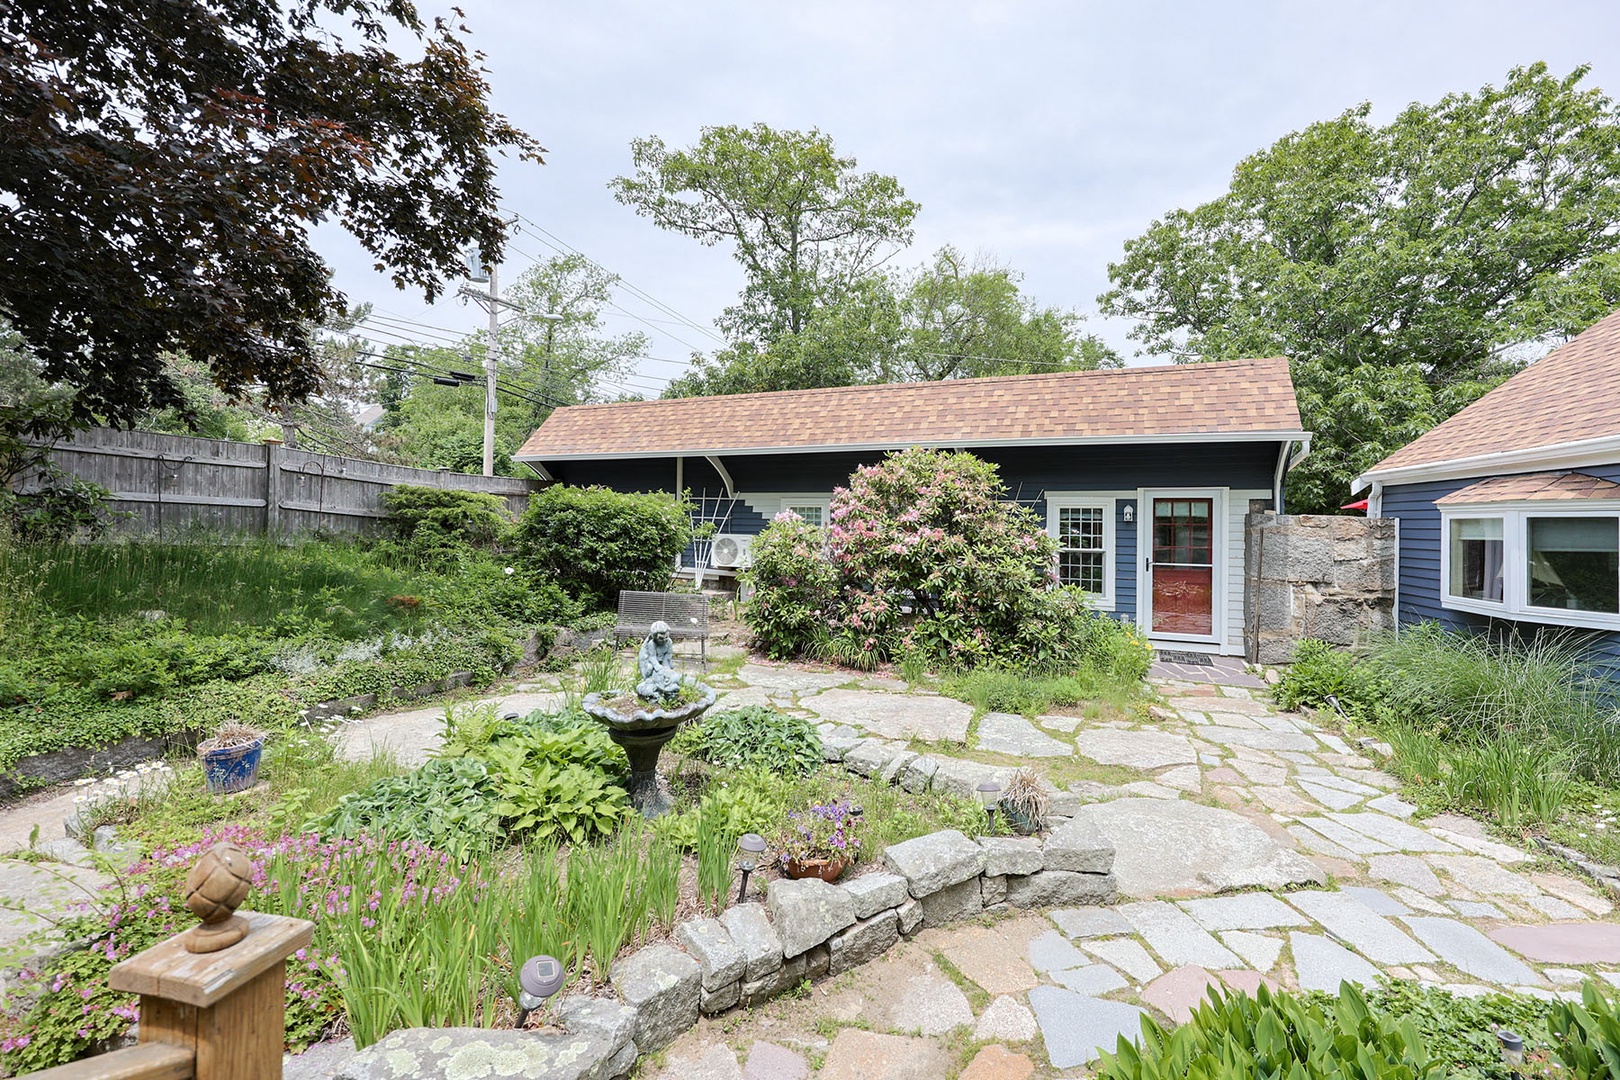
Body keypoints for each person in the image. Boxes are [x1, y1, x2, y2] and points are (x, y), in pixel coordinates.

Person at [636, 620, 684, 700]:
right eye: (661, 638)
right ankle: (650, 681)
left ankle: (668, 687)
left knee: (670, 672)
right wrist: (658, 668)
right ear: (655, 637)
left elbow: (668, 656)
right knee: (650, 668)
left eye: (666, 637)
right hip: (652, 663)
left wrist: (665, 668)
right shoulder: (652, 644)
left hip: (662, 662)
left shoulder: (669, 642)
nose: (664, 640)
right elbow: (652, 657)